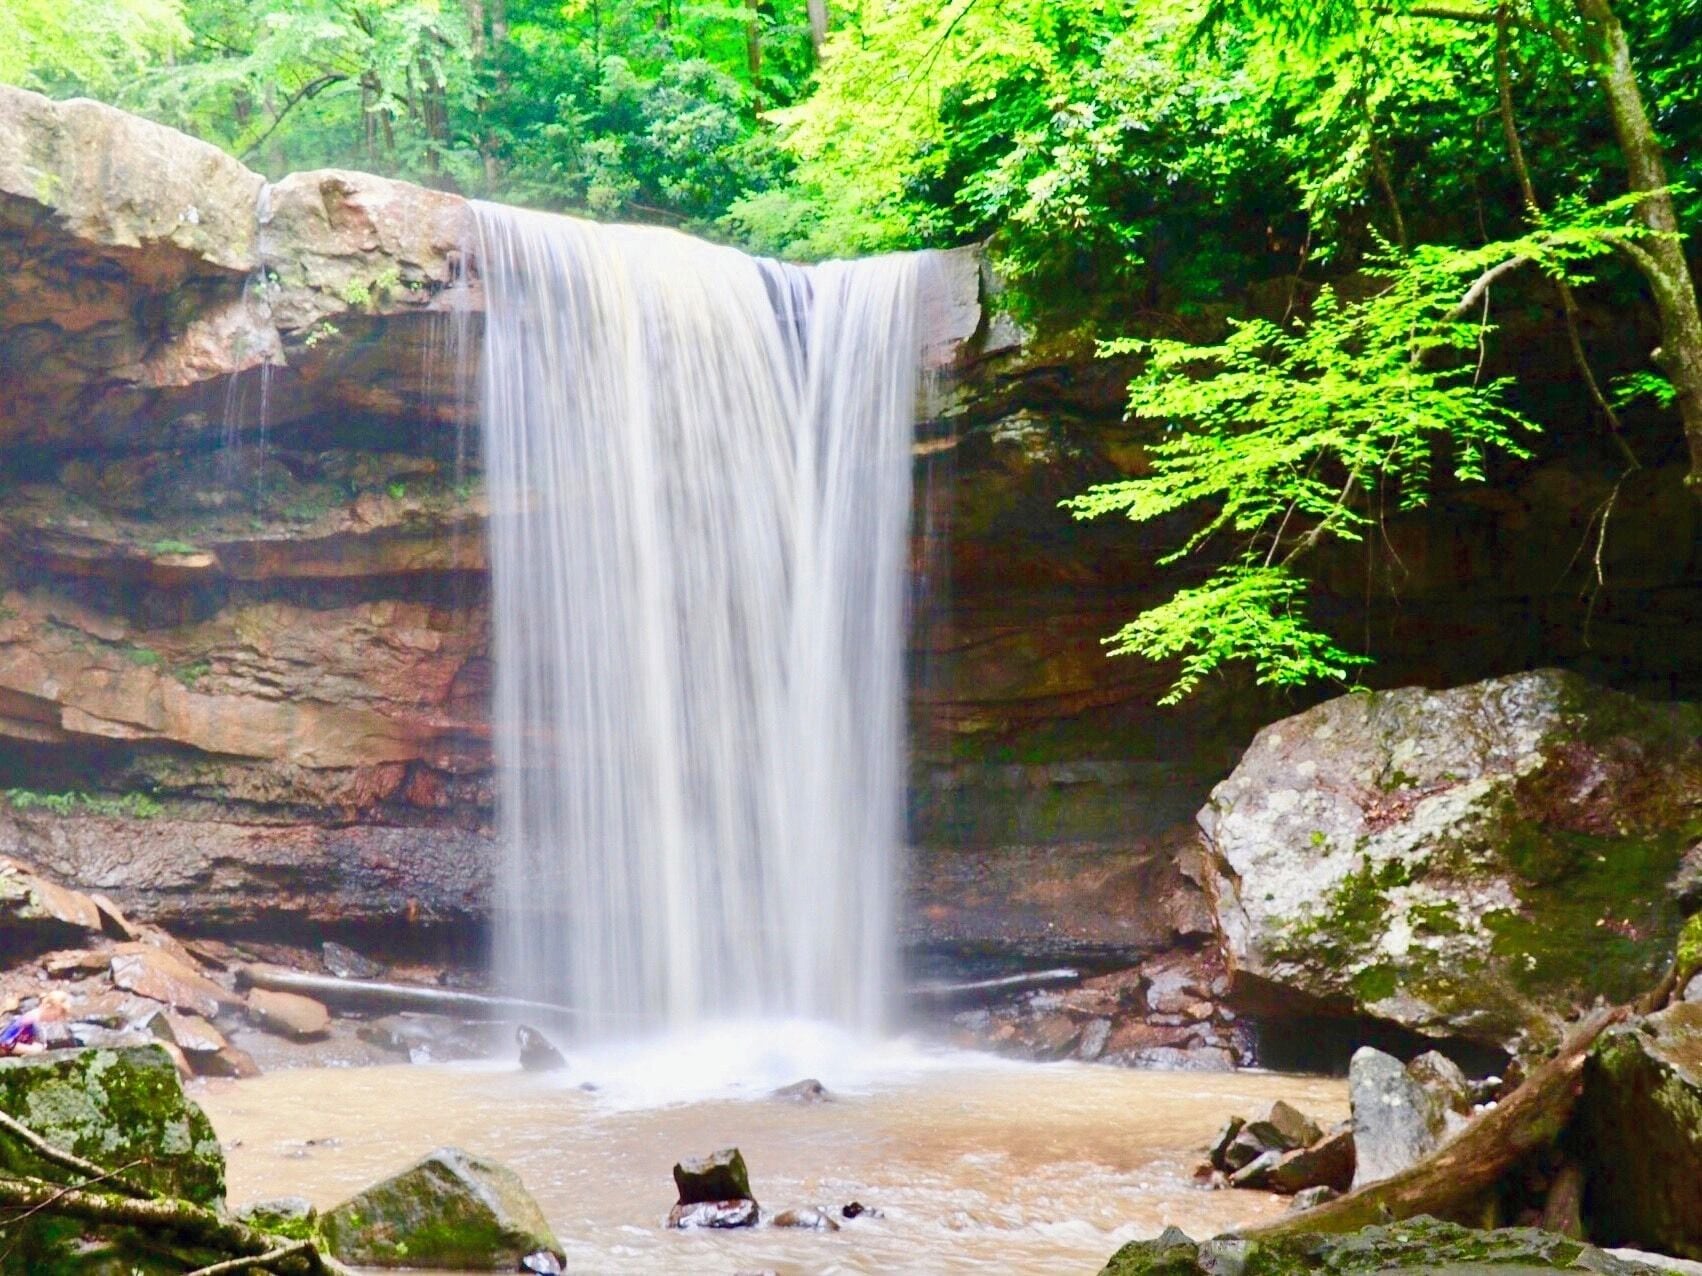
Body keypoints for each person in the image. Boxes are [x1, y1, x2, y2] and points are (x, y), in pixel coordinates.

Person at [0, 990, 72, 1055]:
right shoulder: (29, 1019)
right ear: (48, 1006)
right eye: (55, 1016)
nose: (55, 1020)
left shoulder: (39, 1022)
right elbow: (3, 1041)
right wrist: (32, 1050)